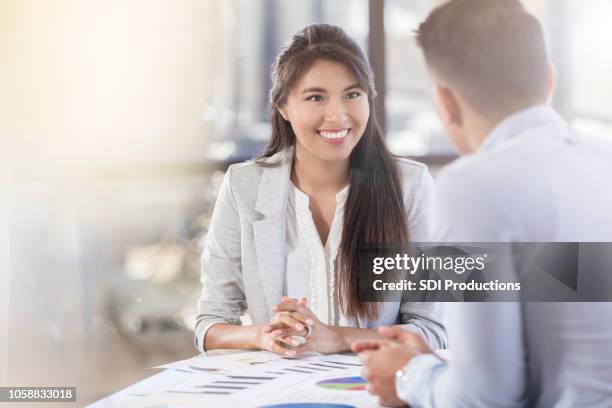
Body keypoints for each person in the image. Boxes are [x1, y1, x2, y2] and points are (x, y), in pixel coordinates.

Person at [354, 0, 612, 406]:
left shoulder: (471, 186)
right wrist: (431, 365)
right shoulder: (603, 158)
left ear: (445, 102)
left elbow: (485, 398)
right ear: (549, 80)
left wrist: (405, 374)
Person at [194, 24, 446, 357]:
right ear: (283, 107)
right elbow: (210, 324)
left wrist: (337, 338)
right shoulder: (244, 186)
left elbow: (433, 330)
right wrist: (263, 336)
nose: (337, 115)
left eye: (352, 95)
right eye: (316, 97)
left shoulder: (410, 187)